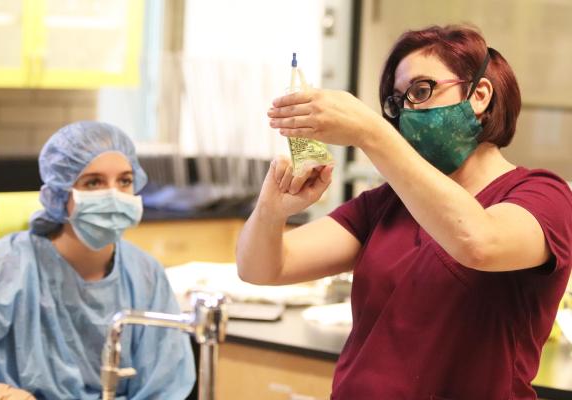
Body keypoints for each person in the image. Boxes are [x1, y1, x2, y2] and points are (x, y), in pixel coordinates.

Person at [236, 24, 572, 399]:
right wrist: (271, 209)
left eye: (421, 91)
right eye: (398, 103)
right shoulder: (387, 204)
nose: (408, 113)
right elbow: (261, 268)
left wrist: (371, 133)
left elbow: (480, 243)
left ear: (479, 95)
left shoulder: (544, 196)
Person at [0, 121, 195, 399]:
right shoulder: (5, 265)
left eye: (124, 181)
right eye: (93, 183)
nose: (113, 195)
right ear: (60, 194)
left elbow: (167, 384)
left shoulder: (145, 274)